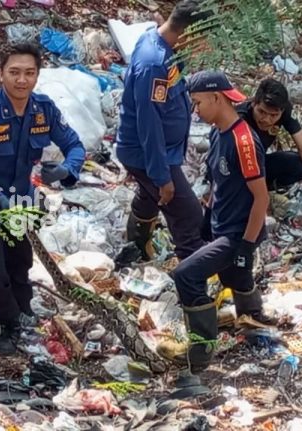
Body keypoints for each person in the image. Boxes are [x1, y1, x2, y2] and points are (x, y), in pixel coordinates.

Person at [0, 42, 86, 355]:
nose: (22, 80)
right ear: (0, 73)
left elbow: (75, 145)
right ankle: (7, 325)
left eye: (29, 73)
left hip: (20, 205)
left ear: (38, 75)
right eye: (14, 72)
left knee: (19, 263)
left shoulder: (43, 110)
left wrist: (67, 169)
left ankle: (24, 314)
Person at [159, 71, 271, 370]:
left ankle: (200, 351)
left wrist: (246, 246)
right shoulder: (217, 133)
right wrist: (208, 217)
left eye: (197, 103)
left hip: (238, 233)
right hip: (222, 225)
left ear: (216, 98)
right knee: (233, 277)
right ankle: (252, 320)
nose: (195, 111)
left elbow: (261, 198)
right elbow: (217, 183)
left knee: (185, 275)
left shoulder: (244, 141)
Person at [115, 0, 209, 261]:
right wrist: (161, 176)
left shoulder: (163, 48)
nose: (205, 47)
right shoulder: (154, 64)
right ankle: (192, 277)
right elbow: (149, 123)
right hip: (148, 155)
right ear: (188, 33)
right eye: (203, 40)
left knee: (149, 196)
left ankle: (136, 247)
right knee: (188, 215)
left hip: (160, 151)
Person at [237, 78, 302, 208]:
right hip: (236, 169)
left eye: (273, 115)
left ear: (281, 112)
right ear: (254, 103)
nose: (266, 119)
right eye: (262, 112)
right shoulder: (239, 119)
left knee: (301, 164)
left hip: (259, 164)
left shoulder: (285, 112)